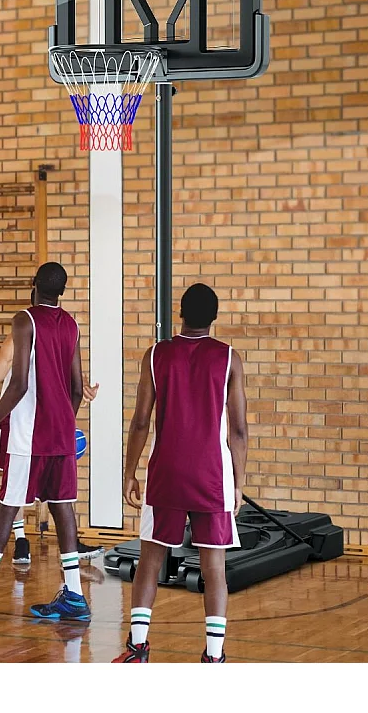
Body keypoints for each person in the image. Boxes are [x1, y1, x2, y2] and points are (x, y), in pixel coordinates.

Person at [0, 263, 91, 622]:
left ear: (33, 285)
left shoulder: (25, 320)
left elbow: (19, 384)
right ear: (62, 291)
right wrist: (64, 420)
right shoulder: (71, 325)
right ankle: (74, 596)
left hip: (29, 434)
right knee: (62, 509)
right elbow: (77, 388)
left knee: (7, 509)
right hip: (59, 434)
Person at [113, 283, 248, 663]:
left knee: (150, 560)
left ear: (181, 314)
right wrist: (238, 483)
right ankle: (214, 656)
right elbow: (238, 430)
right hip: (211, 475)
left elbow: (140, 421)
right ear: (214, 318)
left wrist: (129, 473)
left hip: (166, 472)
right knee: (214, 568)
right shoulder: (229, 358)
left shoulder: (156, 355)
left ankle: (138, 647)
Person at [0, 296, 103, 567]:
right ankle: (21, 540)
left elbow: (59, 379)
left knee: (53, 495)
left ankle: (62, 554)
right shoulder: (17, 338)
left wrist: (83, 389)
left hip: (47, 426)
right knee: (14, 494)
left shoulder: (60, 331)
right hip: (17, 423)